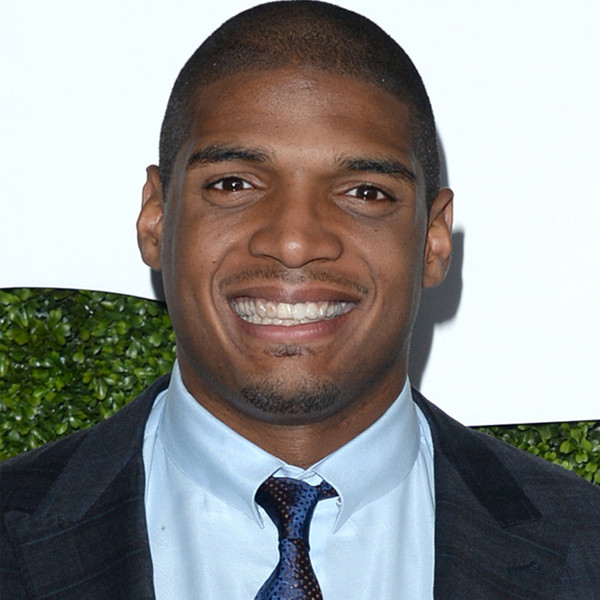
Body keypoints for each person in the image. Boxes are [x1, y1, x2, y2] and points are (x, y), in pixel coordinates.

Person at [1, 2, 599, 599]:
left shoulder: (586, 546)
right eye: (234, 184)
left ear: (433, 240)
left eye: (364, 192)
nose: (294, 242)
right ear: (156, 219)